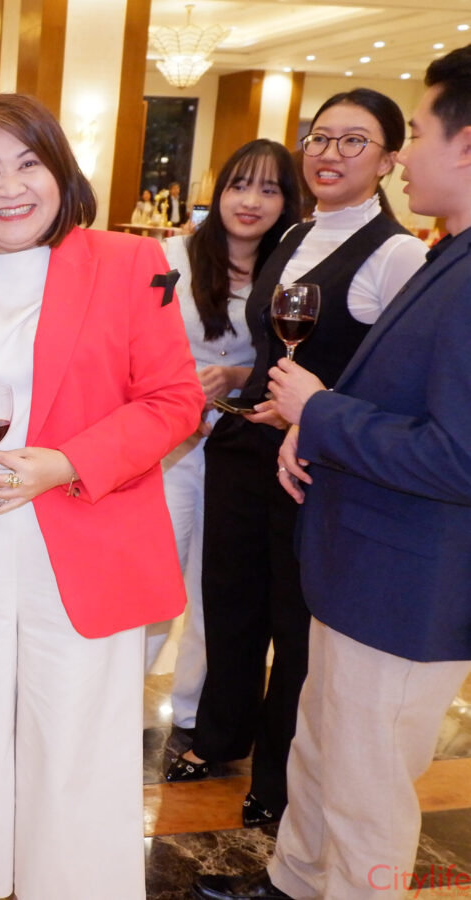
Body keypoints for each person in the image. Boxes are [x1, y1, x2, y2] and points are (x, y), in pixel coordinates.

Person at [193, 45, 471, 900]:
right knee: (323, 752)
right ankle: (293, 880)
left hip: (405, 587)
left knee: (366, 792)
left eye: (412, 133)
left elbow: (459, 455)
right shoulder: (448, 256)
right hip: (358, 565)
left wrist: (317, 412)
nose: (405, 155)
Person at [0, 92, 201, 900]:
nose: (9, 187)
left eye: (28, 164)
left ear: (61, 172)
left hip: (85, 532)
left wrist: (66, 462)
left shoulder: (129, 263)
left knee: (72, 733)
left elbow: (174, 400)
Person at [166, 88, 429, 830]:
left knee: (293, 623)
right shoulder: (295, 234)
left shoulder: (397, 252)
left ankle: (278, 778)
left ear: (387, 159)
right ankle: (220, 735)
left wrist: (315, 408)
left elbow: (400, 378)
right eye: (320, 138)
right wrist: (236, 376)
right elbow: (272, 348)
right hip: (243, 446)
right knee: (229, 601)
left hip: (313, 465)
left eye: (354, 141)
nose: (330, 154)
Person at [152, 139, 302, 732]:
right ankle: (108, 707)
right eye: (239, 185)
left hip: (243, 447)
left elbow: (286, 356)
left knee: (218, 591)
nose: (250, 201)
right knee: (156, 578)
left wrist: (239, 377)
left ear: (287, 201)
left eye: (269, 189)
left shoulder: (291, 268)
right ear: (218, 193)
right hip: (171, 444)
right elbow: (135, 341)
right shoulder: (173, 257)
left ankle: (195, 714)